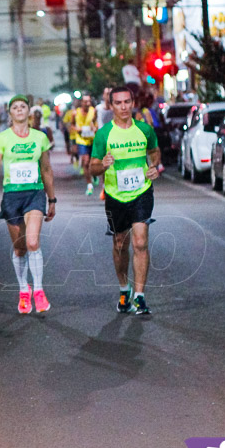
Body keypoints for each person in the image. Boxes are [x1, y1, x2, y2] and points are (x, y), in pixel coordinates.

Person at [90, 85, 161, 316]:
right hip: (115, 195)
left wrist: (154, 167)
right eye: (118, 103)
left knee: (140, 242)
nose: (123, 107)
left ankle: (139, 296)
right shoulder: (104, 134)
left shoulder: (144, 129)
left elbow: (154, 151)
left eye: (127, 102)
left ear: (133, 103)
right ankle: (124, 289)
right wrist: (103, 164)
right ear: (111, 106)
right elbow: (92, 167)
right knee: (120, 243)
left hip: (141, 192)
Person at [0, 95, 56, 314]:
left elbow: (46, 169)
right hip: (12, 195)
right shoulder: (3, 138)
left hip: (34, 193)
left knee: (33, 242)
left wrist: (52, 199)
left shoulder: (40, 137)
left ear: (29, 111)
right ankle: (23, 290)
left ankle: (39, 291)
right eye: (15, 107)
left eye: (22, 106)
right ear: (10, 113)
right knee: (19, 247)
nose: (19, 110)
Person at [73, 94, 98, 195]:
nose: (87, 103)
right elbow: (71, 125)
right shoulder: (76, 113)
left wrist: (95, 127)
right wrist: (76, 129)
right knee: (85, 161)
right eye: (85, 101)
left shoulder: (94, 111)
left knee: (94, 162)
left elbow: (97, 123)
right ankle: (89, 185)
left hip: (93, 139)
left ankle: (94, 174)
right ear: (81, 102)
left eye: (89, 101)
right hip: (81, 140)